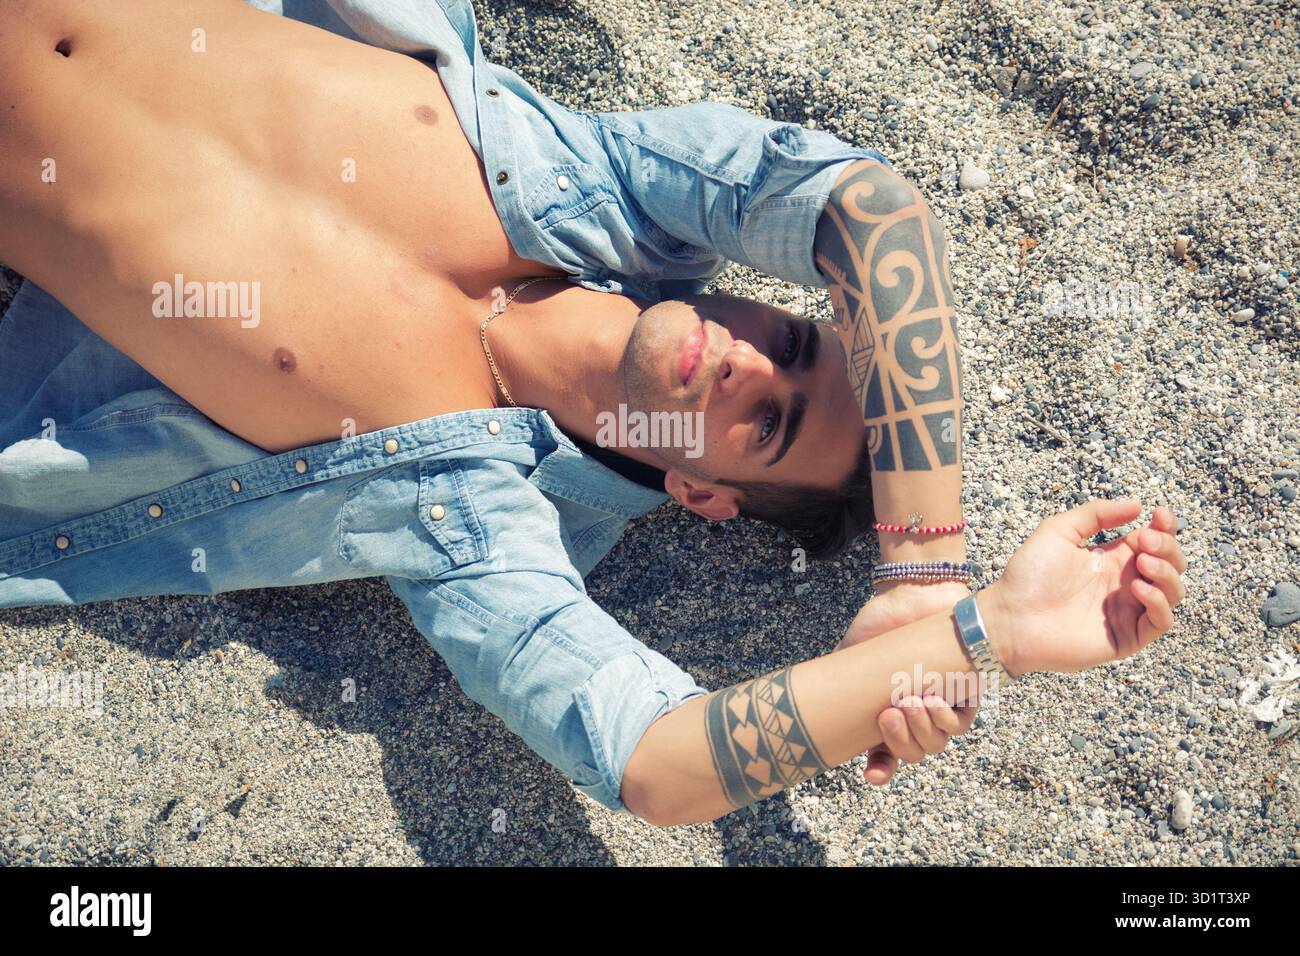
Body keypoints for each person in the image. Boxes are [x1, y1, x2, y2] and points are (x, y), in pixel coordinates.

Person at [0, 0, 1186, 826]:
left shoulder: (464, 517)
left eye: (767, 420)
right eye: (788, 341)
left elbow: (658, 763)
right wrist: (925, 569)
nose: (746, 361)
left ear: (699, 493)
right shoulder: (604, 189)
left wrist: (989, 636)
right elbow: (874, 210)